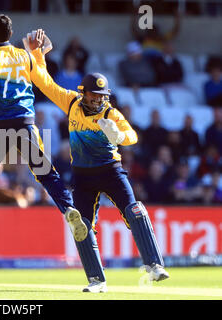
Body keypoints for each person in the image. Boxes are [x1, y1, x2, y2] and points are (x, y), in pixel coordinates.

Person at [25, 30, 169, 292]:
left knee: (134, 210)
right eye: (93, 96)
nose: (98, 100)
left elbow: (132, 137)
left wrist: (118, 135)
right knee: (81, 226)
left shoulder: (111, 113)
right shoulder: (71, 102)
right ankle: (97, 280)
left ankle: (154, 265)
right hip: (83, 176)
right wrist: (38, 53)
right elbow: (42, 81)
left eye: (102, 96)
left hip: (111, 171)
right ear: (84, 93)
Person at [0, 15, 86, 244]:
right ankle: (69, 209)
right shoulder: (24, 56)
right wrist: (39, 54)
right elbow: (44, 81)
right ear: (11, 35)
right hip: (26, 122)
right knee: (45, 171)